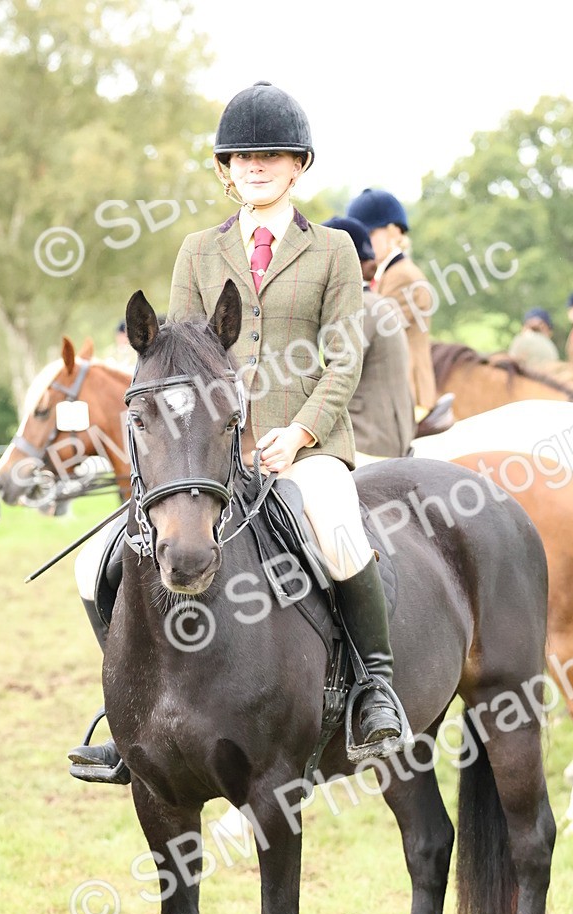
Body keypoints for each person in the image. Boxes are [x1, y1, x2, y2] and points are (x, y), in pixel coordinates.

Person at [68, 81, 410, 783]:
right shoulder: (197, 251)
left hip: (303, 447)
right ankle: (130, 715)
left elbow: (344, 355)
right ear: (226, 169)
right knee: (96, 560)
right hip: (208, 453)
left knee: (341, 534)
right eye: (242, 156)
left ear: (298, 165)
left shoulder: (335, 251)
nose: (256, 165)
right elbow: (178, 356)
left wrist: (301, 435)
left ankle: (373, 689)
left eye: (272, 155)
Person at [322, 215, 415, 459]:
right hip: (388, 429)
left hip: (369, 439)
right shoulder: (374, 302)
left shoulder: (359, 307)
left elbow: (326, 371)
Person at [345, 188, 437, 424]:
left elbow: (373, 334)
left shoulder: (401, 277)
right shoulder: (386, 275)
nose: (363, 242)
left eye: (369, 233)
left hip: (407, 394)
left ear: (394, 232)